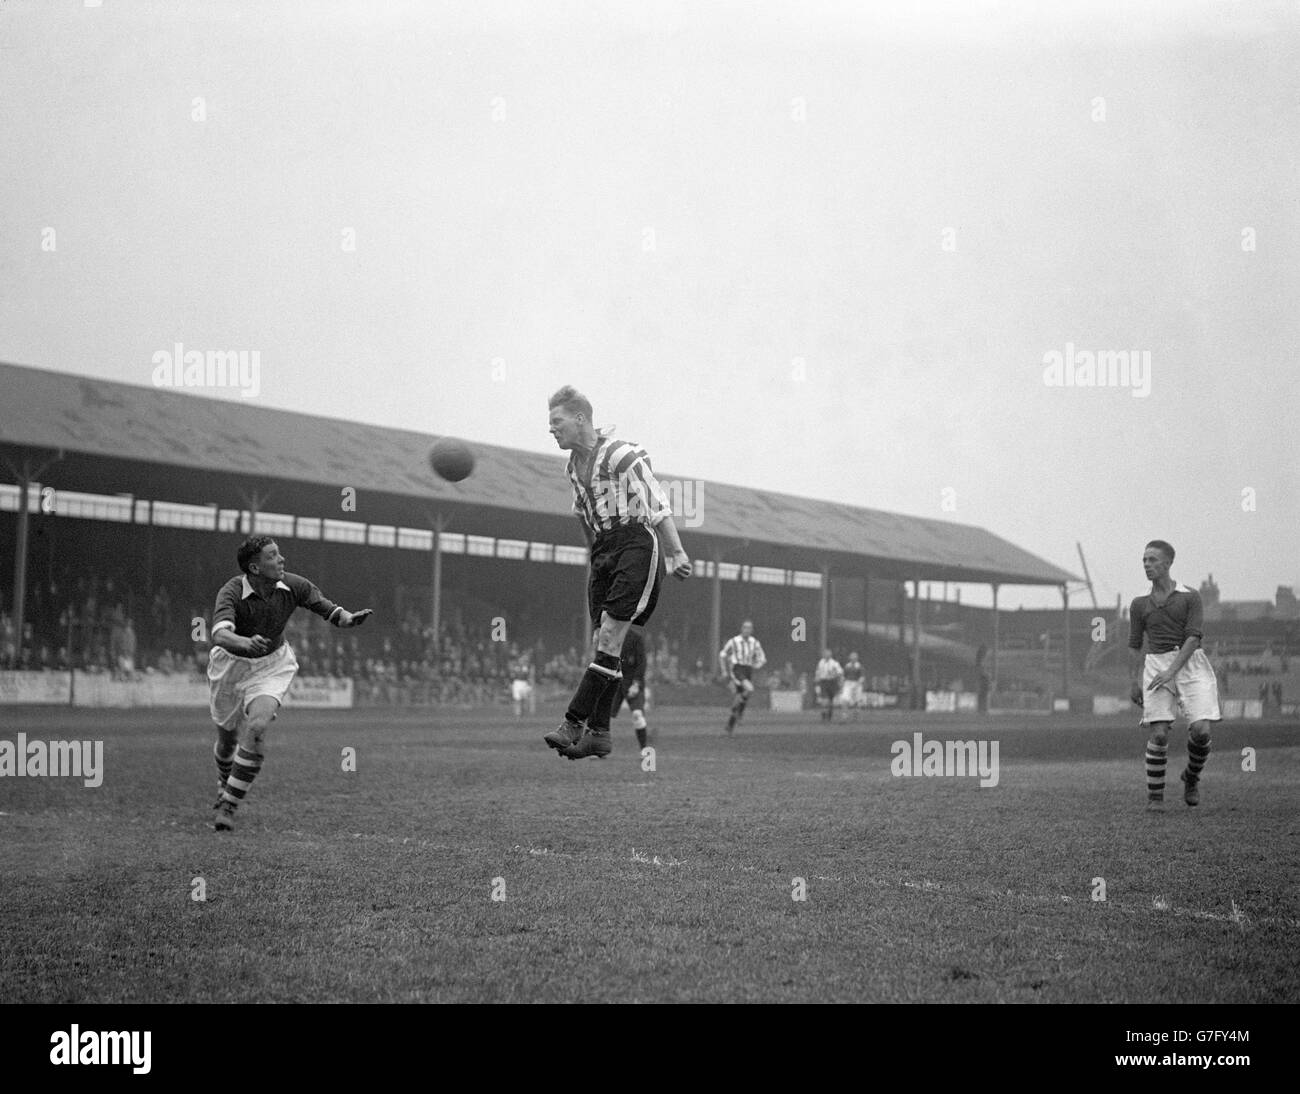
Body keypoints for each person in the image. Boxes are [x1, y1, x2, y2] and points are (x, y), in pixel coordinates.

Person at [542, 386, 691, 760]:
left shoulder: (621, 454)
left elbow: (656, 501)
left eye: (556, 421)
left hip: (636, 543)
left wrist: (676, 552)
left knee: (610, 636)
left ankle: (574, 721)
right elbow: (581, 511)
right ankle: (600, 735)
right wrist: (595, 552)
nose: (551, 429)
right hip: (606, 551)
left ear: (580, 418)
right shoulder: (572, 467)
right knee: (605, 646)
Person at [207, 535, 372, 831]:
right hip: (230, 666)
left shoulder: (293, 584)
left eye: (279, 554)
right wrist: (244, 643)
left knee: (257, 726)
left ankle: (228, 804)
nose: (281, 560)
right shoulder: (231, 591)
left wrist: (348, 619)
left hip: (272, 664)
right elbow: (219, 635)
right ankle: (224, 782)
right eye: (272, 556)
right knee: (227, 738)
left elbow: (328, 609)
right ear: (255, 568)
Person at [1129, 540, 1220, 811]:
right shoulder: (1139, 604)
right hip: (1156, 665)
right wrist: (1134, 681)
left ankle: (1191, 777)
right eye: (1144, 560)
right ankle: (1155, 797)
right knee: (1158, 735)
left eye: (1153, 560)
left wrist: (1172, 672)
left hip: (1190, 663)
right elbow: (1135, 645)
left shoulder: (1190, 596)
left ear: (1168, 563)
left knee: (1201, 731)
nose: (1147, 564)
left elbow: (1193, 638)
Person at [719, 620, 766, 735]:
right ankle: (739, 713)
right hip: (737, 669)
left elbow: (762, 658)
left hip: (748, 670)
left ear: (752, 630)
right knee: (749, 689)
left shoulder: (754, 642)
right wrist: (724, 671)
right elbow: (722, 655)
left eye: (749, 628)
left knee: (741, 696)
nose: (747, 630)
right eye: (745, 627)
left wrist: (756, 665)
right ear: (741, 629)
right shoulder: (734, 641)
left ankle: (730, 725)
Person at [612, 626, 650, 747]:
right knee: (602, 715)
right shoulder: (610, 635)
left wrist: (637, 683)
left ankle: (644, 749)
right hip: (614, 681)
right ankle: (598, 749)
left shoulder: (636, 638)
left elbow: (642, 662)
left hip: (631, 682)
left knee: (637, 715)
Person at [814, 648, 843, 722]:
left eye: (828, 654)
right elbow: (818, 671)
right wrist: (817, 678)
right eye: (825, 653)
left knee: (830, 700)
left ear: (830, 655)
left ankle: (829, 715)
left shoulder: (834, 663)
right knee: (824, 699)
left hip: (832, 682)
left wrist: (835, 675)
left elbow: (840, 672)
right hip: (824, 682)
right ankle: (823, 716)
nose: (826, 655)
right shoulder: (821, 662)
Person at [842, 651, 864, 716]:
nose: (853, 658)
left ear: (857, 658)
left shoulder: (859, 666)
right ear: (850, 658)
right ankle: (844, 714)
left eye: (855, 657)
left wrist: (859, 682)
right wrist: (843, 682)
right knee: (845, 698)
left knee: (857, 700)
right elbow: (844, 676)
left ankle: (856, 714)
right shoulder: (847, 666)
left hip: (857, 684)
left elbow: (862, 676)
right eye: (852, 657)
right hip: (848, 684)